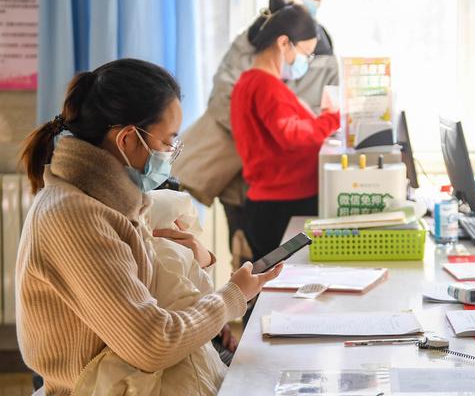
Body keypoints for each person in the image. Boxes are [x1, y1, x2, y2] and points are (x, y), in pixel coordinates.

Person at [16, 58, 282, 395]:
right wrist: (232, 297)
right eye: (168, 142)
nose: (171, 154)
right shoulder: (73, 216)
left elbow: (142, 294)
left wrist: (196, 259)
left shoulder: (111, 201)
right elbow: (152, 343)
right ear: (128, 139)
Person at [173, 0, 338, 261]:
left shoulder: (258, 78)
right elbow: (288, 132)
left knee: (268, 270)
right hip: (269, 192)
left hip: (276, 189)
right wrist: (326, 119)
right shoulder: (261, 77)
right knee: (263, 267)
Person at [230, 0, 340, 261]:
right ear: (283, 43)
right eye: (306, 53)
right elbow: (291, 135)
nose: (307, 61)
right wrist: (332, 119)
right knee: (287, 281)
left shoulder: (251, 82)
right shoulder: (266, 86)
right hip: (282, 206)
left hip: (274, 203)